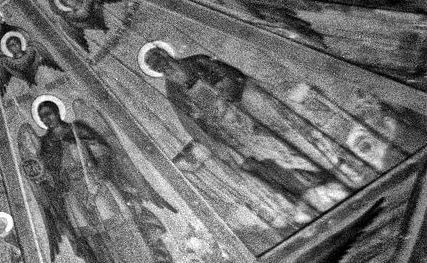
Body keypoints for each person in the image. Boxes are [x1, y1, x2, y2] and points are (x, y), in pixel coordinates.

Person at [144, 47, 358, 218]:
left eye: (161, 59)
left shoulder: (197, 61)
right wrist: (214, 134)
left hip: (246, 104)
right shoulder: (173, 91)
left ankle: (336, 166)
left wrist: (225, 94)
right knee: (275, 154)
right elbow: (190, 121)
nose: (164, 66)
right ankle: (318, 183)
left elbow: (231, 76)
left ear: (166, 54)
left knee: (289, 135)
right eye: (157, 66)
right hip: (232, 125)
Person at [19, 100, 175, 263]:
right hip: (73, 197)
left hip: (99, 188)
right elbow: (51, 177)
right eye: (42, 116)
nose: (47, 119)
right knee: (99, 247)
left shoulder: (78, 130)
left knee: (126, 237)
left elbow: (104, 155)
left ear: (57, 112)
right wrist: (44, 178)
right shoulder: (45, 145)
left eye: (49, 113)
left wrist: (97, 181)